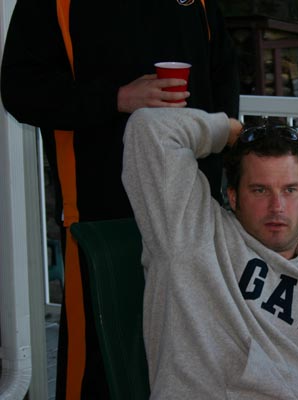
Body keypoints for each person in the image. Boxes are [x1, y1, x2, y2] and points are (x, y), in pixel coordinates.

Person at [0, 0, 239, 398]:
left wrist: (229, 146)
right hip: (99, 214)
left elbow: (223, 76)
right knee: (99, 362)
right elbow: (20, 90)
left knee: (192, 357)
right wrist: (117, 98)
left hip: (193, 212)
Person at [121, 107, 298, 399]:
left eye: (289, 190)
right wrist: (231, 132)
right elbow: (150, 129)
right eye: (260, 190)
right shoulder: (192, 232)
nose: (277, 207)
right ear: (233, 196)